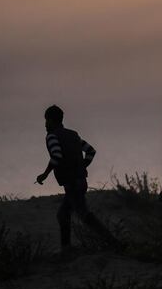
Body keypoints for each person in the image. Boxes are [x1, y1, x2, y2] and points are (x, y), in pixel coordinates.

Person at [35, 105, 119, 250]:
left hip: (71, 182)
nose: (45, 124)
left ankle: (114, 242)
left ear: (51, 120)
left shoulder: (52, 136)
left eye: (46, 121)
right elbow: (91, 151)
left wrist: (45, 174)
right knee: (63, 214)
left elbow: (56, 155)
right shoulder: (73, 135)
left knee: (84, 214)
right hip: (80, 181)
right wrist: (82, 166)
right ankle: (66, 248)